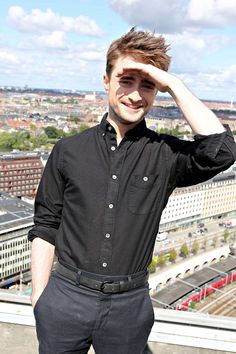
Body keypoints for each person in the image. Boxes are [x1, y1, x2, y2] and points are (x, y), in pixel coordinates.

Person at [28, 28, 236, 354]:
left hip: (128, 306)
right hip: (66, 298)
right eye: (127, 80)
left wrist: (173, 84)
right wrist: (39, 297)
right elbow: (46, 224)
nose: (136, 95)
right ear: (106, 81)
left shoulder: (167, 154)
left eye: (148, 85)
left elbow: (222, 151)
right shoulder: (68, 150)